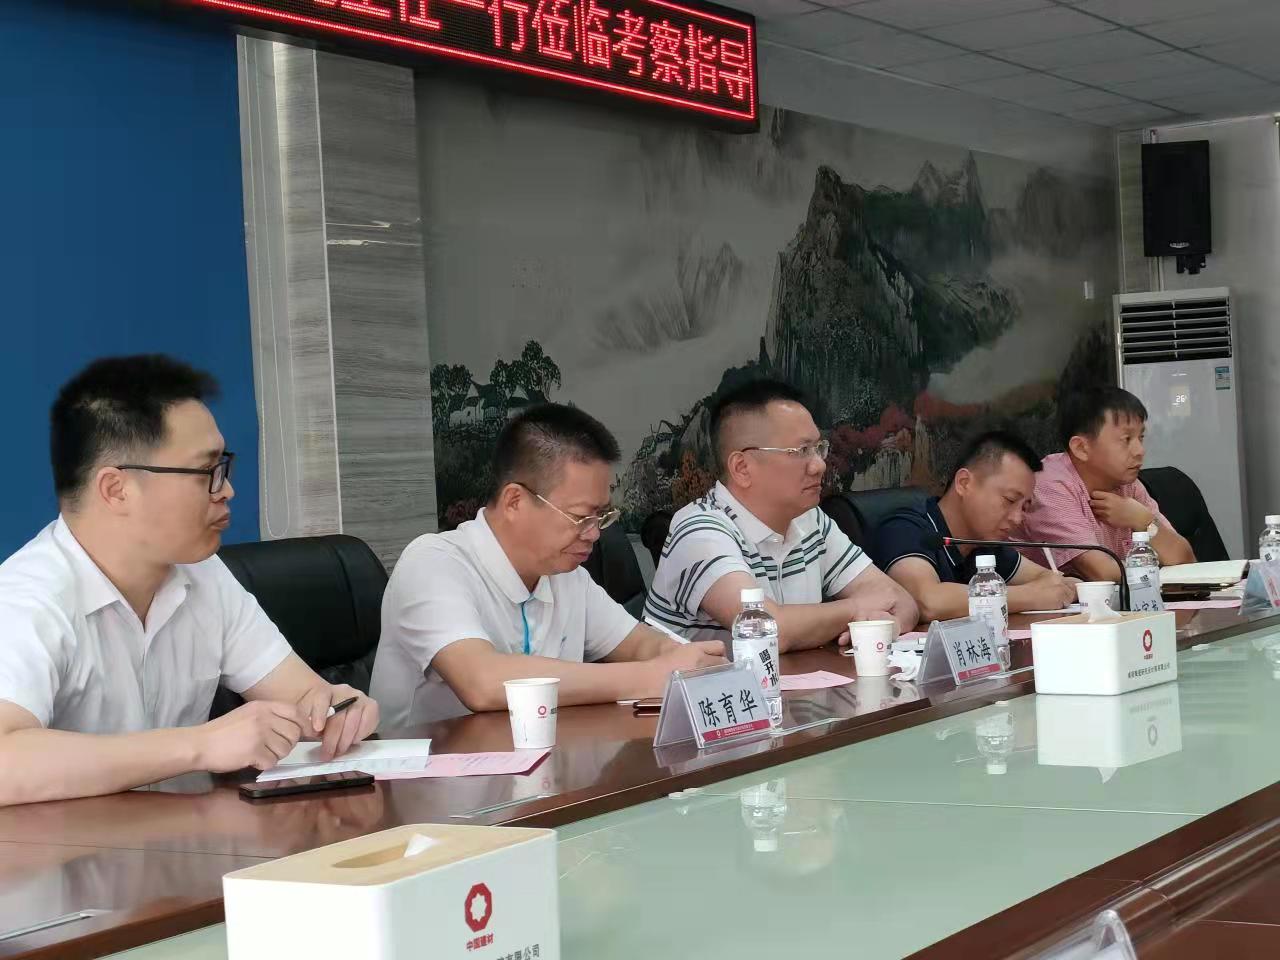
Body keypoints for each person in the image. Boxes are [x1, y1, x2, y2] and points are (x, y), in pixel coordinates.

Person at [0, 355, 379, 808]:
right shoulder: (26, 598)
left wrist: (337, 708)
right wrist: (199, 745)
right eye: (207, 472)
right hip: (62, 850)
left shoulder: (203, 574)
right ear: (116, 489)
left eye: (225, 467)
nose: (227, 490)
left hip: (185, 836)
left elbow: (304, 697)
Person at [371, 403, 724, 727]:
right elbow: (482, 682)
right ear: (515, 502)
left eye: (601, 517)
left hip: (546, 767)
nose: (593, 534)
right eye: (580, 517)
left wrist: (681, 658)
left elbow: (641, 644)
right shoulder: (433, 564)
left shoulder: (567, 578)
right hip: (432, 774)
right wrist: (651, 677)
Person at [645, 379, 918, 650]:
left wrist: (881, 626)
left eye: (819, 448)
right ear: (742, 468)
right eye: (801, 451)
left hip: (798, 678)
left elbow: (901, 600)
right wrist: (857, 608)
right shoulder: (699, 531)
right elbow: (768, 629)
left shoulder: (810, 520)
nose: (819, 465)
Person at [871, 431, 1078, 622]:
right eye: (1009, 500)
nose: (1017, 518)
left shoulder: (983, 544)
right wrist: (1031, 596)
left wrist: (1058, 587)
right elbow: (928, 601)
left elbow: (1052, 581)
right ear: (964, 483)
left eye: (1024, 507)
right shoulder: (904, 528)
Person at [1020, 386, 1194, 581]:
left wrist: (1143, 521)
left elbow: (1185, 560)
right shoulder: (1051, 486)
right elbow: (1102, 573)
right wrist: (1154, 566)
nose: (1139, 451)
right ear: (1081, 448)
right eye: (1126, 439)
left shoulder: (1128, 483)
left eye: (1141, 437)